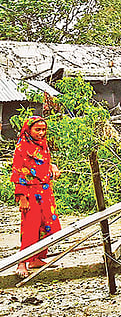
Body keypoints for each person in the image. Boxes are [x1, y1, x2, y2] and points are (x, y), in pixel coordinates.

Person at [10, 117, 62, 276]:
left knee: (48, 225)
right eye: (37, 130)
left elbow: (45, 163)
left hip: (45, 192)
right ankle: (22, 262)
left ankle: (36, 258)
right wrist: (22, 197)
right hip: (30, 193)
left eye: (43, 130)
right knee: (30, 228)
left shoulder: (43, 145)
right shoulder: (21, 148)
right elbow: (17, 173)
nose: (41, 133)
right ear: (28, 130)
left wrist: (53, 167)